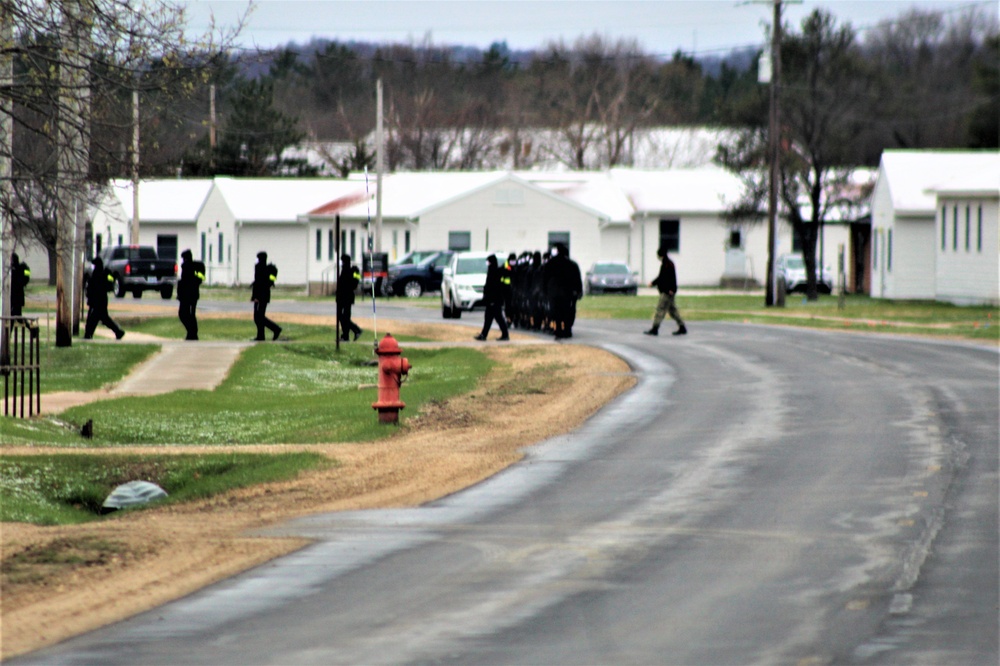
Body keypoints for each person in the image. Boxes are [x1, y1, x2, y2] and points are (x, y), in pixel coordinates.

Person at [645, 247, 687, 336]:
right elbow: (662, 277)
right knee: (672, 310)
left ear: (661, 255)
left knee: (660, 309)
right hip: (668, 291)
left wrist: (653, 283)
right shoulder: (667, 264)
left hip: (667, 291)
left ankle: (655, 328)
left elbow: (667, 278)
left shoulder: (667, 265)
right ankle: (682, 327)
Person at [544, 243, 583, 339]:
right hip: (567, 292)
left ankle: (558, 330)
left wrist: (545, 290)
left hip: (554, 292)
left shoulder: (551, 263)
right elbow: (577, 279)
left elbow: (545, 278)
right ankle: (567, 329)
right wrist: (579, 291)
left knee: (556, 311)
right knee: (567, 311)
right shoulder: (572, 264)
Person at [84, 256, 125, 340]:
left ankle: (88, 334)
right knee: (103, 318)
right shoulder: (103, 273)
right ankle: (118, 332)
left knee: (94, 318)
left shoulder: (98, 274)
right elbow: (111, 280)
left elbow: (94, 287)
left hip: (97, 300)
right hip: (101, 300)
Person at [474, 254, 509, 342]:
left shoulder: (495, 272)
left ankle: (504, 334)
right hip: (492, 300)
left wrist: (491, 300)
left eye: (488, 262)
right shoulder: (493, 271)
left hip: (494, 300)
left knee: (497, 318)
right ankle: (484, 334)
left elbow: (494, 287)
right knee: (490, 318)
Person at [251, 251, 282, 341]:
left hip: (260, 296)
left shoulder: (260, 268)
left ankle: (275, 329)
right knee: (259, 317)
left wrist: (255, 296)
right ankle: (261, 336)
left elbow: (258, 283)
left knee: (258, 317)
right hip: (264, 295)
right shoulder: (266, 269)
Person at [176, 249, 204, 340]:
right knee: (189, 314)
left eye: (184, 258)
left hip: (188, 295)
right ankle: (192, 333)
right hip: (191, 294)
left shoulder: (191, 267)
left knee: (185, 314)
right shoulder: (191, 266)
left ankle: (192, 333)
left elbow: (198, 278)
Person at [336, 254, 363, 341]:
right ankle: (346, 335)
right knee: (341, 316)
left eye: (342, 261)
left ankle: (356, 330)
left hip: (347, 296)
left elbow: (356, 281)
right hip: (341, 297)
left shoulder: (351, 270)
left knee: (345, 317)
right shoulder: (344, 270)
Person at [10, 252, 30, 317]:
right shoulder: (14, 270)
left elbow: (26, 277)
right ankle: (32, 327)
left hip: (16, 297)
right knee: (16, 315)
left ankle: (32, 327)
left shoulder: (18, 270)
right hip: (15, 297)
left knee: (16, 315)